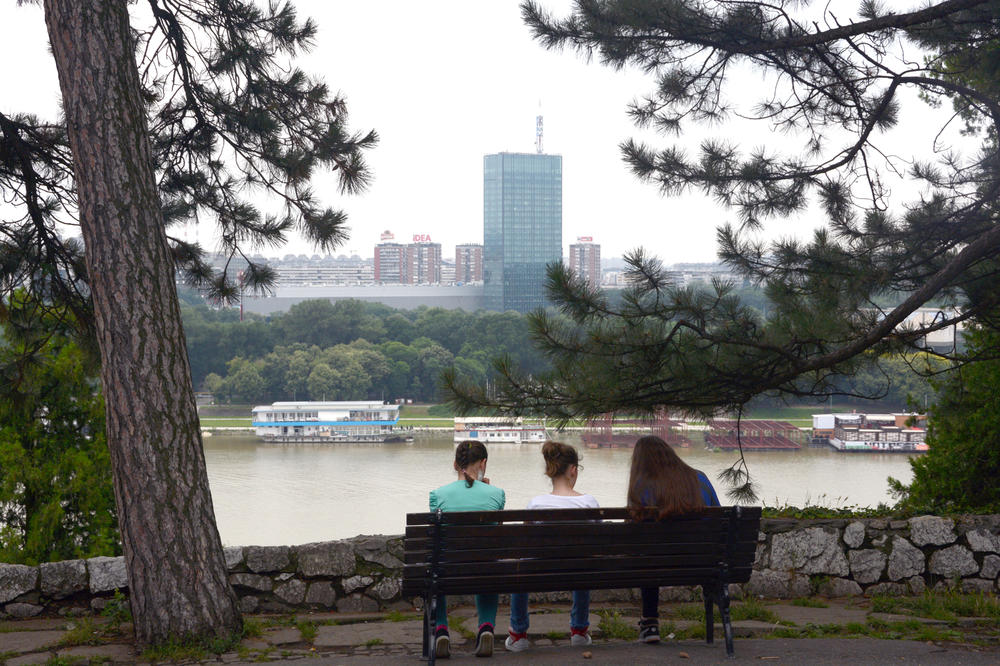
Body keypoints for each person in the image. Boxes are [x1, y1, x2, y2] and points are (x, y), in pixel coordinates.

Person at [627, 435, 720, 644]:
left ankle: (650, 623)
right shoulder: (700, 479)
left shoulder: (642, 486)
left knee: (648, 554)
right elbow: (718, 520)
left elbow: (637, 534)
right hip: (703, 563)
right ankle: (716, 625)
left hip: (657, 566)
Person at [505, 441, 597, 652]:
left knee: (522, 568)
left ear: (550, 471)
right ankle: (579, 632)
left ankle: (518, 635)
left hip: (540, 571)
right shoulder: (589, 503)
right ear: (573, 470)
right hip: (579, 571)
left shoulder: (536, 504)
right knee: (584, 562)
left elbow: (525, 543)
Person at [428, 440, 506, 658]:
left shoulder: (438, 495)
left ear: (455, 464)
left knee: (434, 566)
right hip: (485, 568)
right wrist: (487, 489)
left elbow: (437, 534)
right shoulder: (496, 494)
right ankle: (486, 627)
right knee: (489, 562)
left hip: (447, 570)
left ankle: (441, 629)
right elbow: (497, 534)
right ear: (483, 464)